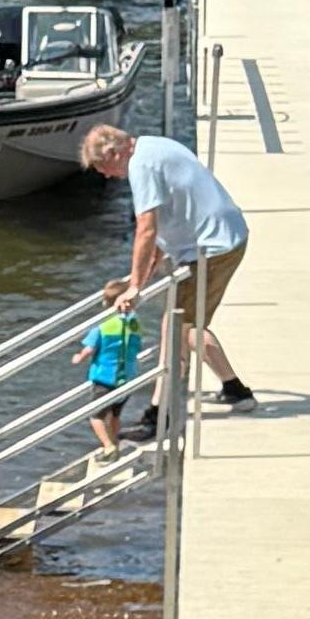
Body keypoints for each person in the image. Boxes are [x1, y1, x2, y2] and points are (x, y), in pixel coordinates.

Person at [79, 117, 258, 416]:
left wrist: (135, 287)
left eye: (102, 167)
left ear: (112, 153)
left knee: (175, 327)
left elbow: (147, 229)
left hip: (212, 247)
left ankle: (159, 412)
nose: (106, 175)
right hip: (220, 239)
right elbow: (165, 226)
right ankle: (234, 390)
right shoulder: (153, 147)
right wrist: (138, 279)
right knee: (189, 327)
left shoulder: (141, 166)